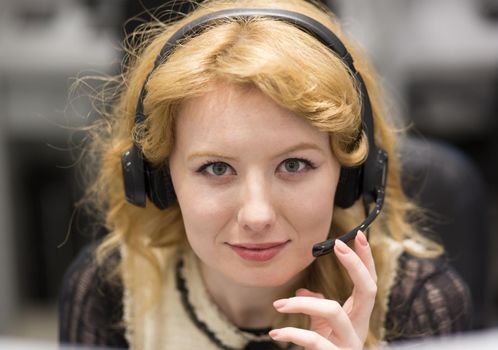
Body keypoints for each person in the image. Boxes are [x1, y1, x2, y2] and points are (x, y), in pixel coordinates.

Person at [59, 0, 472, 349]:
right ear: (159, 180)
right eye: (216, 168)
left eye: (294, 165)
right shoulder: (108, 291)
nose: (257, 216)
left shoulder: (418, 302)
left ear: (349, 174)